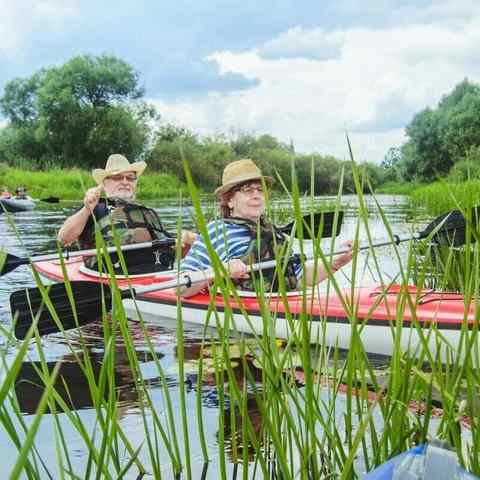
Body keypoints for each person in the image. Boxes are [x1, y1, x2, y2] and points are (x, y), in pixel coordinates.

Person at [180, 158, 353, 297]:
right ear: (230, 200)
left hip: (279, 307)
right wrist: (220, 270)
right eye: (247, 190)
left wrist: (336, 262)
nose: (256, 195)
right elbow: (180, 288)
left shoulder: (274, 233)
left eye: (260, 189)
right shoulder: (217, 231)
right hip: (239, 313)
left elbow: (300, 278)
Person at [57, 154, 196, 274]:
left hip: (159, 274)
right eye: (117, 177)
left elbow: (174, 253)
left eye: (130, 178)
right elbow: (63, 238)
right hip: (116, 276)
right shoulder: (94, 208)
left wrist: (188, 242)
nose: (125, 182)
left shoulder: (147, 213)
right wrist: (87, 209)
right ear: (105, 184)